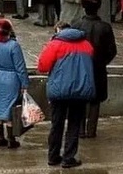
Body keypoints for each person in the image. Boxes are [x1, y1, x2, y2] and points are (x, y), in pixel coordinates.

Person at [37, 22, 96, 168]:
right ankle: (69, 158)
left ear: (59, 30)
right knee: (74, 125)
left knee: (57, 124)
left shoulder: (55, 44)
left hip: (59, 91)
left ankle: (53, 156)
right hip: (80, 91)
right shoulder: (87, 45)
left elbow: (42, 66)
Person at [72, 0, 117, 139]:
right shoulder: (105, 27)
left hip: (80, 67)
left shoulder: (76, 24)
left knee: (80, 100)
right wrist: (102, 61)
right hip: (98, 67)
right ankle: (91, 130)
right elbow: (112, 50)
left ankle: (80, 130)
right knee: (95, 101)